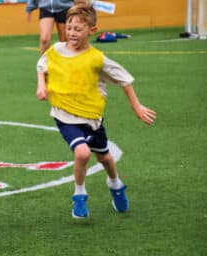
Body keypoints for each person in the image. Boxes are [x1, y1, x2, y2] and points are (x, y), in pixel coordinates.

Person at [34, 3, 156, 219]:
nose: (71, 33)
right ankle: (79, 195)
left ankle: (115, 183)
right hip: (64, 115)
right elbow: (41, 65)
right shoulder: (56, 50)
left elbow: (124, 80)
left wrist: (137, 106)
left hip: (91, 118)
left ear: (92, 31)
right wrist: (41, 86)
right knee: (82, 153)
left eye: (77, 29)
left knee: (106, 159)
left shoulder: (97, 59)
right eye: (69, 27)